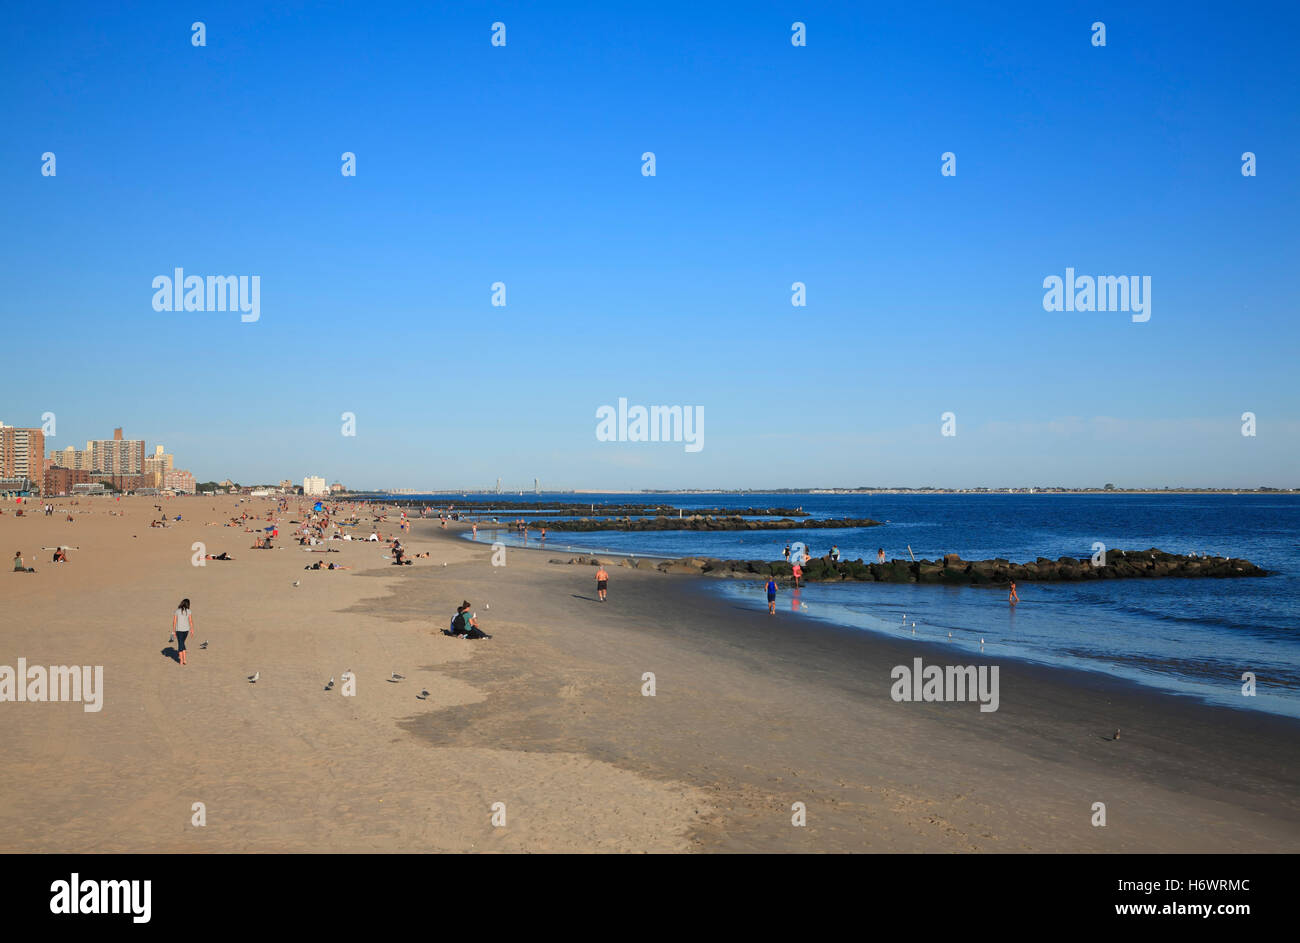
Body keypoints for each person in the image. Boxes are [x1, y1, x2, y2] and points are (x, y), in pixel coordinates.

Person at [171, 598, 194, 666]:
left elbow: (174, 621)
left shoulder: (177, 611)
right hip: (186, 631)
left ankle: (181, 660)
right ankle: (184, 660)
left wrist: (173, 630)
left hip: (179, 630)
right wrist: (192, 630)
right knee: (182, 644)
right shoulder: (189, 611)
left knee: (181, 645)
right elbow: (190, 621)